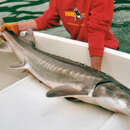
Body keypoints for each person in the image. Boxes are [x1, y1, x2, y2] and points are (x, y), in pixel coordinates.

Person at [0, 0, 119, 71]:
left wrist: (95, 73)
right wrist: (16, 27)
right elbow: (47, 20)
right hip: (77, 45)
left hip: (104, 51)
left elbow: (96, 31)